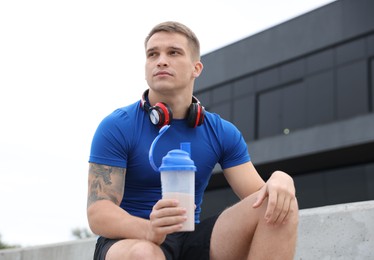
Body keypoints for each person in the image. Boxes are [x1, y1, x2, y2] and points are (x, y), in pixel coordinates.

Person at [87, 21, 299, 260]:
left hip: (190, 238)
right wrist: (149, 230)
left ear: (196, 68)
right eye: (152, 54)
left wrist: (281, 178)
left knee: (282, 205)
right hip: (130, 239)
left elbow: (260, 198)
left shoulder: (221, 131)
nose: (161, 60)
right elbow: (98, 213)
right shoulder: (118, 125)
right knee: (144, 254)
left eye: (174, 52)